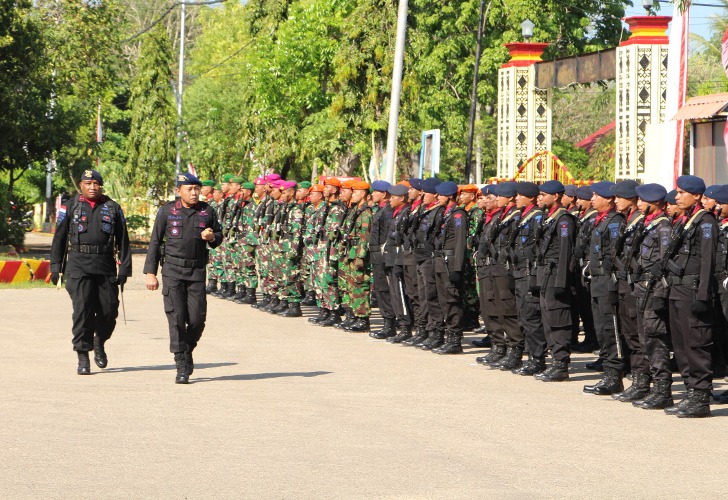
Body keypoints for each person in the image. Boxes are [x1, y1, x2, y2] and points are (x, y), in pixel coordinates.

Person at [144, 172, 223, 384]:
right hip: (172, 271)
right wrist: (150, 273)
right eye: (189, 189)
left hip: (196, 272)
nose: (194, 192)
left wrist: (212, 237)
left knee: (197, 319)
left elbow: (219, 236)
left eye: (197, 188)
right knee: (176, 318)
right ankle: (180, 361)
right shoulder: (167, 211)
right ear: (178, 191)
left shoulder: (207, 211)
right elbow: (154, 242)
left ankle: (188, 347)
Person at [51, 169, 132, 375]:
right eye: (88, 183)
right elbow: (59, 239)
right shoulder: (69, 207)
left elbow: (123, 241)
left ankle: (99, 340)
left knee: (109, 310)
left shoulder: (112, 207)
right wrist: (55, 267)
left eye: (96, 183)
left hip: (105, 266)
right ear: (81, 185)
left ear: (101, 186)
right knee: (82, 311)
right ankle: (82, 354)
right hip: (78, 266)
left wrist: (124, 269)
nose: (92, 187)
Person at [663, 175, 716, 417]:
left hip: (694, 291)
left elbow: (707, 261)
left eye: (682, 192)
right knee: (681, 345)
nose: (677, 197)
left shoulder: (705, 222)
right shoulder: (685, 221)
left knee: (696, 345)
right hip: (678, 290)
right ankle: (690, 391)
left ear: (696, 196)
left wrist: (703, 296)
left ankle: (701, 398)